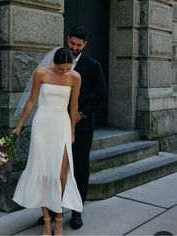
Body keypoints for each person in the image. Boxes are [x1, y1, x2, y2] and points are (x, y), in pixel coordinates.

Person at [37, 26, 108, 230]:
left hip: (81, 127)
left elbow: (101, 97)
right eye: (72, 43)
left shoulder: (93, 66)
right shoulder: (54, 61)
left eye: (79, 45)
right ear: (67, 39)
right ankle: (50, 210)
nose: (75, 47)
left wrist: (81, 114)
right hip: (54, 126)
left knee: (78, 168)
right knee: (52, 168)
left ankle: (76, 211)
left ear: (85, 45)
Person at [12, 48, 83, 236]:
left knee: (61, 175)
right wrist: (19, 125)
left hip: (62, 126)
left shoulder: (75, 77)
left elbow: (74, 106)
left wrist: (73, 131)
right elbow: (31, 101)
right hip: (42, 126)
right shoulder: (41, 73)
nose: (65, 72)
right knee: (42, 172)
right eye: (62, 69)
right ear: (54, 62)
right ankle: (46, 221)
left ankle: (58, 219)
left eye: (68, 68)